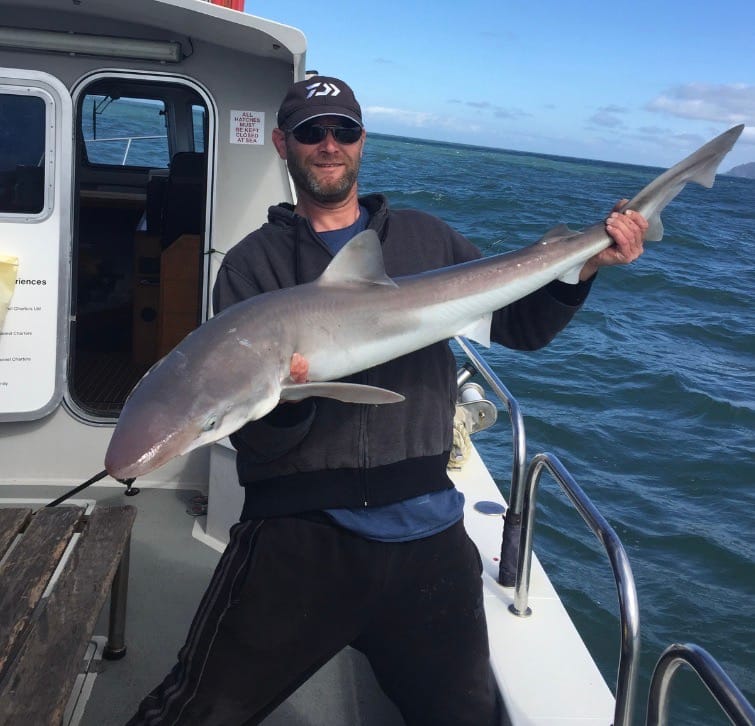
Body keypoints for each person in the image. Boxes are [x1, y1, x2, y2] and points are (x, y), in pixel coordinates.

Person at [128, 76, 648, 726]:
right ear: (281, 144)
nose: (328, 146)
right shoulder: (251, 266)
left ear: (361, 141)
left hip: (426, 530)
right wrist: (287, 398)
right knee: (191, 714)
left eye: (342, 131)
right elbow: (256, 442)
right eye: (312, 133)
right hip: (301, 532)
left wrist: (583, 266)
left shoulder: (426, 241)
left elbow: (520, 328)